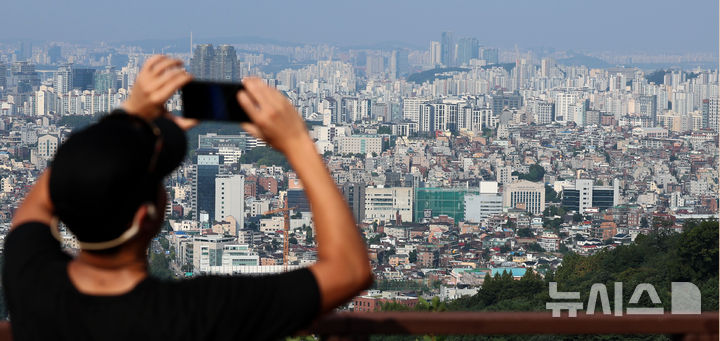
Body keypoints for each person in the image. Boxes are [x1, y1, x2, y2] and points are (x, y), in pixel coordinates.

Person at [3, 55, 373, 340]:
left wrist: (126, 118)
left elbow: (55, 187)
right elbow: (350, 270)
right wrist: (297, 141)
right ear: (146, 216)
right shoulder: (198, 311)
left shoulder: (32, 284)